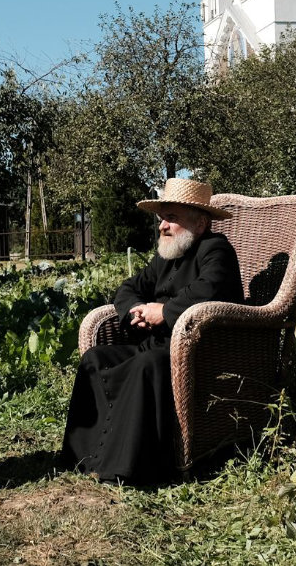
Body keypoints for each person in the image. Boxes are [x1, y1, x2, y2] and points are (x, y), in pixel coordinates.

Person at [59, 178, 241, 485]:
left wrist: (163, 312)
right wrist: (136, 311)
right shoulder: (166, 256)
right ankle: (83, 457)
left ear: (199, 223)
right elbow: (129, 288)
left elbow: (209, 290)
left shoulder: (216, 250)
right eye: (162, 219)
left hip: (198, 353)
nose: (163, 227)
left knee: (146, 365)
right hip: (155, 345)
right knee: (95, 358)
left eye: (172, 218)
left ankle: (125, 467)